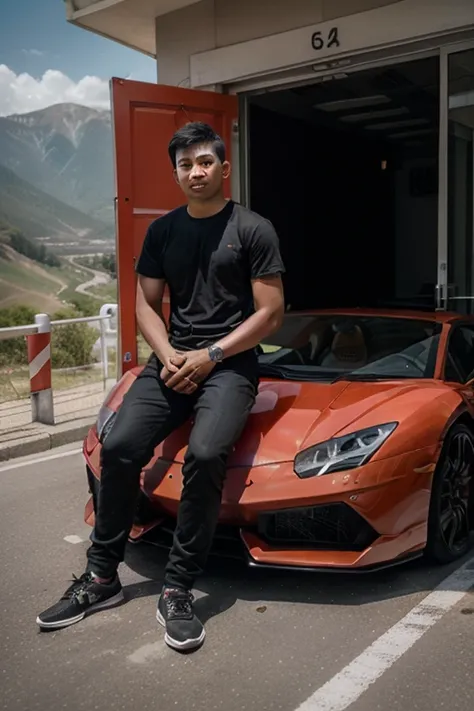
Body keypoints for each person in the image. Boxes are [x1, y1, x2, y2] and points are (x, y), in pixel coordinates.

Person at [36, 121, 285, 652]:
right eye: (185, 164)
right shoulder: (163, 232)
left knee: (206, 452)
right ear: (175, 172)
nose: (195, 172)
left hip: (230, 366)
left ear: (223, 166)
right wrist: (171, 354)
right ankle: (102, 578)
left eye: (204, 162)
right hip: (171, 363)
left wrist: (211, 354)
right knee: (120, 445)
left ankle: (177, 587)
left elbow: (271, 313)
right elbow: (144, 303)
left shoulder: (253, 229)